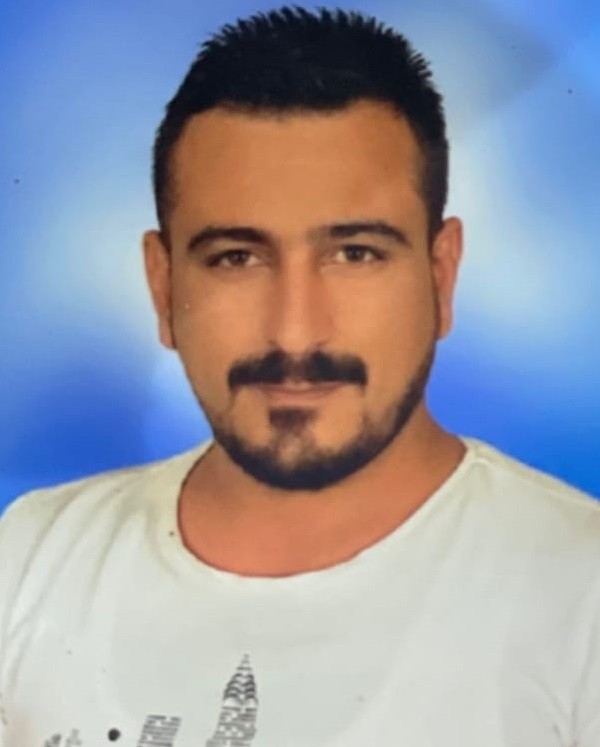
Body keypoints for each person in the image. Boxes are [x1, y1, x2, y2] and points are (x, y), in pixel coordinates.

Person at [0, 6, 598, 746]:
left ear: (441, 276)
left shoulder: (581, 594)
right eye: (236, 258)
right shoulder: (29, 558)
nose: (294, 331)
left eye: (355, 254)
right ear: (162, 286)